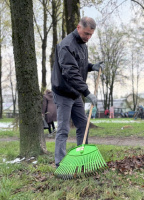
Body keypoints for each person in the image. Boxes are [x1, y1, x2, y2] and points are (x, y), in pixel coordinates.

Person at [51, 16, 103, 168]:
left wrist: (91, 66)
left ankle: (83, 156)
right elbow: (70, 72)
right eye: (86, 33)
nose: (88, 37)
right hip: (63, 92)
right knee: (63, 128)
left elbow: (79, 63)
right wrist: (87, 92)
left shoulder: (82, 44)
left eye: (91, 35)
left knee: (83, 125)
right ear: (78, 27)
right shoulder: (66, 45)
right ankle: (60, 163)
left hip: (75, 93)